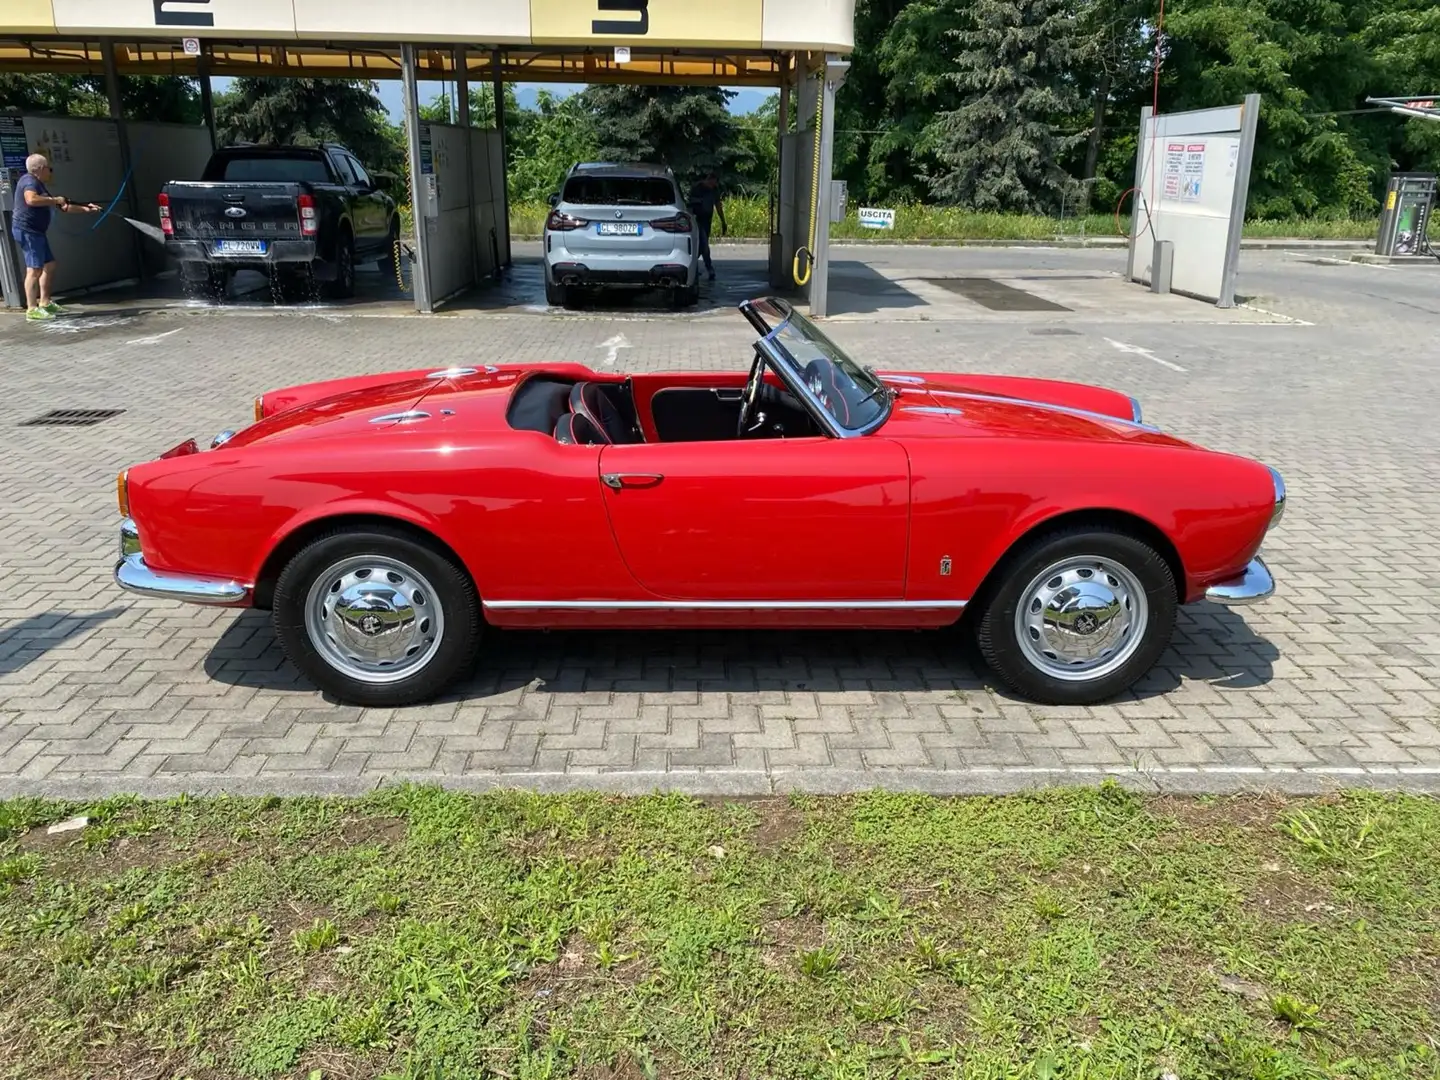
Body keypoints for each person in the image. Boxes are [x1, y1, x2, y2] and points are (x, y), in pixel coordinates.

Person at [10, 153, 101, 321]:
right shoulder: (29, 181)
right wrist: (55, 199)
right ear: (40, 169)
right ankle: (31, 309)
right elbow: (31, 200)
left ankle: (45, 303)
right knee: (34, 270)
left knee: (49, 265)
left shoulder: (40, 185)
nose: (50, 172)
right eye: (49, 169)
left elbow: (64, 207)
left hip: (37, 232)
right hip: (27, 231)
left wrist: (87, 209)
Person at [687, 171, 727, 280]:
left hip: (707, 220)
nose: (714, 185)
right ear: (709, 180)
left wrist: (723, 221)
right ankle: (709, 268)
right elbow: (690, 204)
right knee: (704, 244)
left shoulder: (714, 190)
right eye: (713, 182)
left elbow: (718, 205)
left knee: (700, 247)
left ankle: (692, 266)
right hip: (696, 219)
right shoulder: (697, 188)